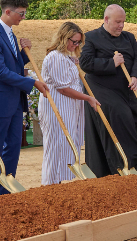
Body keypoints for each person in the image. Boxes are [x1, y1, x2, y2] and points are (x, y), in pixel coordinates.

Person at [0, 0, 48, 197]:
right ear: (8, 11)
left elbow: (13, 66)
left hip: (14, 100)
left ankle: (6, 189)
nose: (23, 17)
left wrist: (24, 54)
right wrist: (32, 82)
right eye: (21, 13)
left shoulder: (10, 34)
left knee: (14, 146)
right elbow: (0, 72)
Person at [80, 4, 137, 176]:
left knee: (133, 122)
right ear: (106, 20)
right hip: (101, 89)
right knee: (120, 115)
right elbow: (85, 63)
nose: (121, 25)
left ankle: (134, 163)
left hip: (126, 89)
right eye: (118, 22)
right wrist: (110, 63)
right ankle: (131, 163)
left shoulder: (128, 38)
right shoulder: (91, 37)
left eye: (123, 22)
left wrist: (136, 76)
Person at [38, 22, 99, 185]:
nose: (76, 45)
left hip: (69, 108)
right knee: (57, 147)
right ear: (63, 38)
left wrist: (73, 65)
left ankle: (64, 182)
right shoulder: (55, 57)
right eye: (74, 41)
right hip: (57, 107)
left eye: (79, 42)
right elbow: (64, 89)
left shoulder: (67, 57)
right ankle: (50, 185)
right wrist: (88, 98)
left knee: (68, 145)